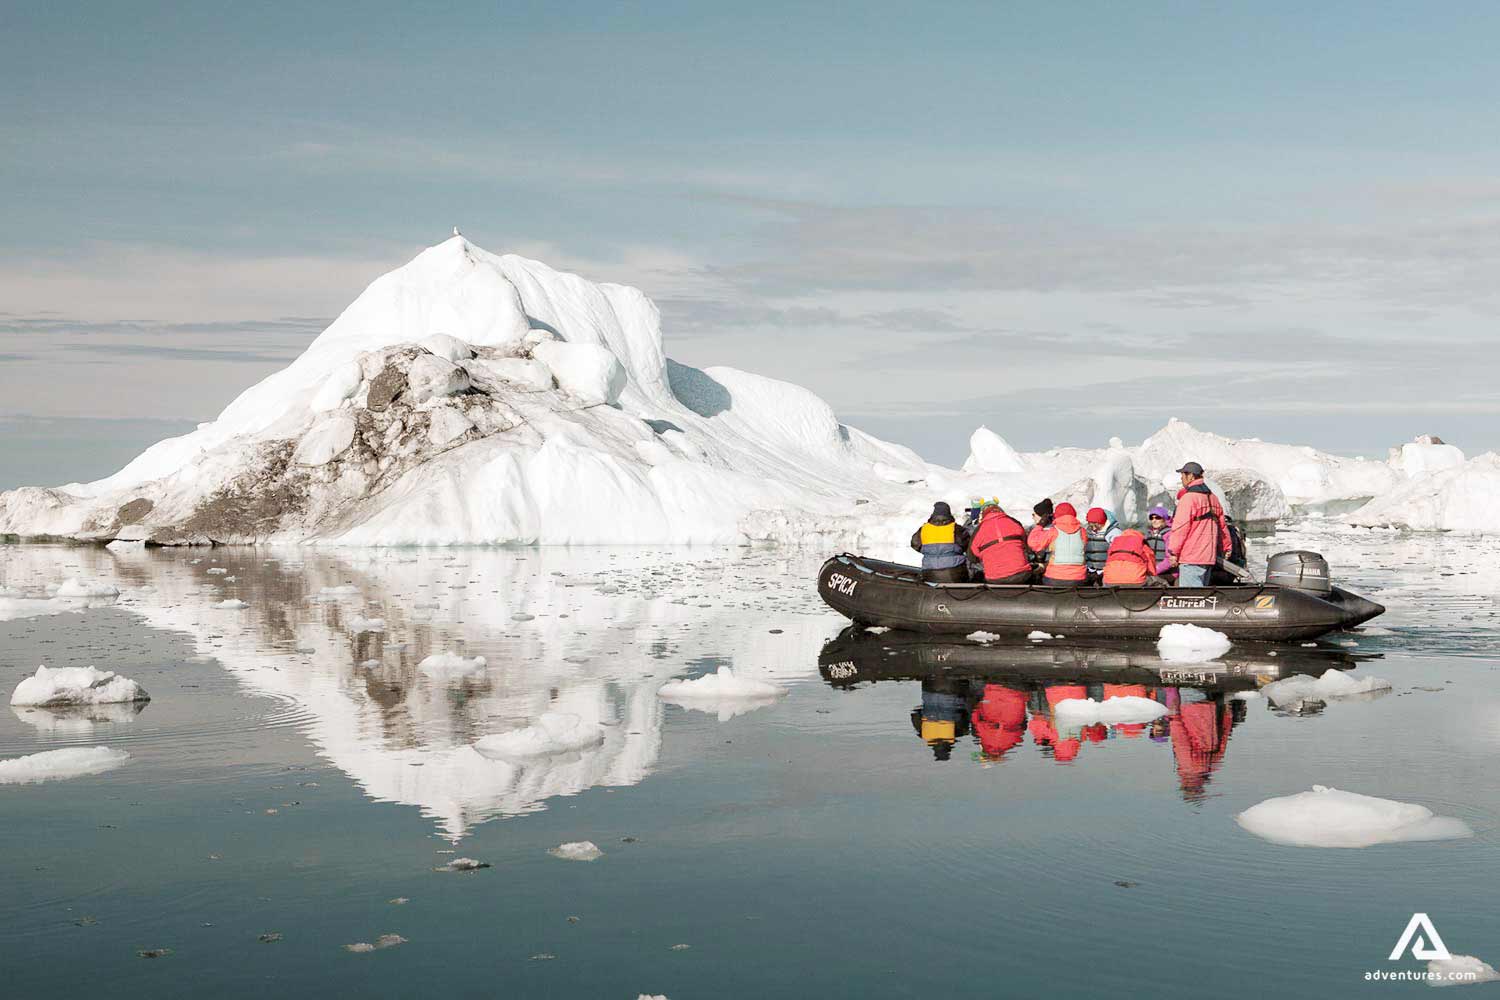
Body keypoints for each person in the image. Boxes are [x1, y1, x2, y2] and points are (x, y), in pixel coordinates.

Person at [1167, 462, 1231, 587]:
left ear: (1190, 476)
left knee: (1191, 598)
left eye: (1183, 475)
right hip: (1208, 557)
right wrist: (1226, 548)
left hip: (1191, 557)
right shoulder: (1213, 498)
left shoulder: (1188, 498)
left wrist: (1173, 552)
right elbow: (1222, 527)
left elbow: (1180, 528)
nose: (1181, 478)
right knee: (1202, 599)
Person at [968, 499, 1033, 584]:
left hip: (994, 578)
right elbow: (1026, 544)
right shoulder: (1014, 522)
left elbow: (972, 556)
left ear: (983, 514)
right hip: (1022, 574)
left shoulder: (979, 530)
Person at [1029, 501, 1090, 587]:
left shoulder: (1053, 531)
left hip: (1054, 577)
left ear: (1056, 515)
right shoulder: (1082, 532)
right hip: (1079, 578)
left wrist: (1040, 525)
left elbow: (1033, 544)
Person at [910, 501, 970, 583]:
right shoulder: (956, 529)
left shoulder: (924, 529)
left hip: (929, 573)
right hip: (954, 573)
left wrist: (930, 553)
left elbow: (915, 544)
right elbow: (967, 545)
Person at [1083, 507, 1122, 578]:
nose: (1094, 528)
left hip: (1105, 571)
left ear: (1103, 522)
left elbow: (1118, 553)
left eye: (1097, 525)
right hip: (1090, 570)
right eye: (1091, 526)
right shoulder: (1086, 531)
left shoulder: (1113, 532)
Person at [1144, 505, 1173, 579]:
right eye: (1151, 518)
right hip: (1151, 571)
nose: (1154, 520)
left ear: (1164, 519)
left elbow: (1169, 559)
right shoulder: (1148, 534)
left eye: (1157, 517)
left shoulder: (1169, 534)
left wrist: (1155, 570)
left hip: (1167, 572)